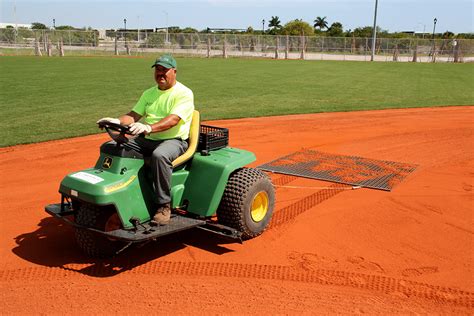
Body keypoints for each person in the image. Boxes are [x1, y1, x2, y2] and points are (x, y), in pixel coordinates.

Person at [97, 54, 194, 226]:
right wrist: (117, 122)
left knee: (159, 156)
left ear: (174, 71)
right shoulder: (149, 93)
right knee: (111, 147)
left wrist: (149, 128)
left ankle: (164, 205)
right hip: (147, 139)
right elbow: (133, 116)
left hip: (174, 140)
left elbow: (173, 120)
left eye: (165, 70)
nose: (160, 73)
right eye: (158, 70)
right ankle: (117, 190)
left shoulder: (184, 93)